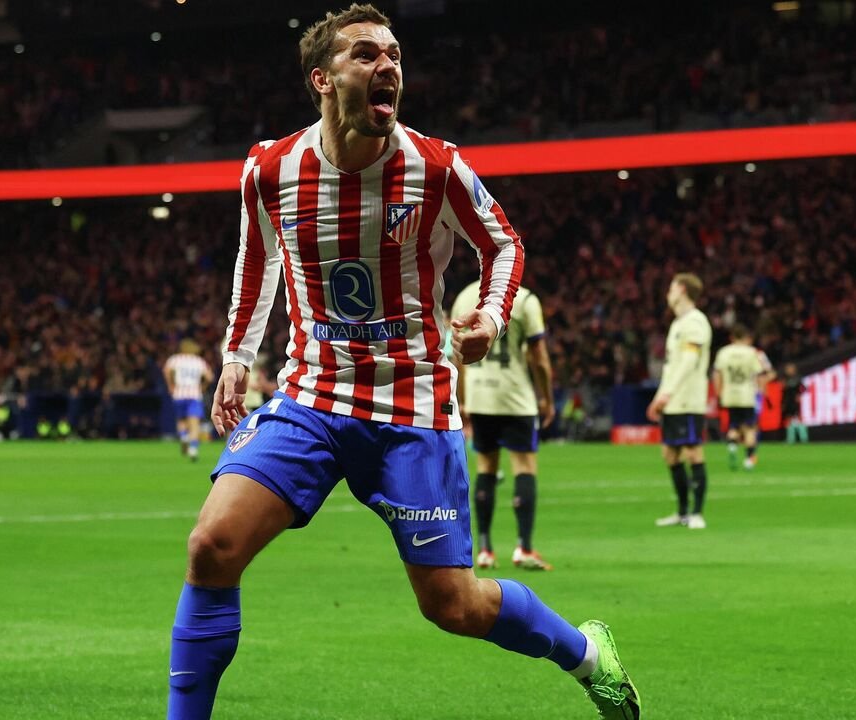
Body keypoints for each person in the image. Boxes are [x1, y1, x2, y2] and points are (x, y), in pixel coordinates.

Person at [167, 6, 640, 720]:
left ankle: (584, 653)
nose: (387, 65)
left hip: (412, 407)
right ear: (323, 79)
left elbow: (504, 245)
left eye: (393, 55)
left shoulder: (437, 166)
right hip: (311, 396)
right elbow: (256, 258)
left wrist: (490, 317)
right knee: (212, 545)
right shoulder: (269, 167)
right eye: (365, 54)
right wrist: (237, 355)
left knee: (452, 605)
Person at [451, 280, 556, 571]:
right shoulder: (525, 299)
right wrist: (547, 398)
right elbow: (539, 356)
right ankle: (524, 547)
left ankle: (485, 549)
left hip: (480, 395)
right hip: (515, 396)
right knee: (524, 466)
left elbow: (456, 355)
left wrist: (462, 399)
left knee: (486, 467)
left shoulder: (464, 297)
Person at [647, 273, 712, 530]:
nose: (668, 293)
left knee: (693, 452)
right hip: (673, 399)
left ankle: (697, 513)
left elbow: (689, 361)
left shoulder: (695, 322)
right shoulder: (678, 324)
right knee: (670, 454)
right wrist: (659, 397)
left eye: (671, 288)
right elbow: (672, 367)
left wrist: (667, 393)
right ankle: (682, 512)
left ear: (682, 290)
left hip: (688, 399)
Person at [712, 324, 774, 471]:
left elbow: (717, 374)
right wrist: (763, 392)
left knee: (733, 425)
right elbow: (761, 374)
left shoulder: (723, 352)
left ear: (732, 337)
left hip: (729, 395)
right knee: (750, 428)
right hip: (747, 395)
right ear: (746, 337)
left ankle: (732, 447)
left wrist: (718, 393)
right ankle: (748, 460)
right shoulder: (752, 352)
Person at [164, 339, 215, 462]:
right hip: (194, 395)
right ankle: (193, 448)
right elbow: (210, 377)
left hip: (178, 394)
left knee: (181, 420)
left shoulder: (175, 359)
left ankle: (184, 437)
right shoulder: (199, 361)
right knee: (194, 423)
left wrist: (171, 385)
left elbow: (166, 370)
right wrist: (202, 387)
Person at [780, 363, 808, 444]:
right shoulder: (784, 379)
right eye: (787, 369)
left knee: (799, 419)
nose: (788, 370)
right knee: (788, 419)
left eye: (790, 369)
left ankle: (804, 438)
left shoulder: (798, 378)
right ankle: (790, 439)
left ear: (794, 370)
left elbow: (804, 388)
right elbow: (784, 391)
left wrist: (799, 394)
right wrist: (783, 403)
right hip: (787, 402)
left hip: (794, 402)